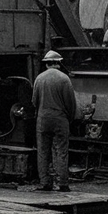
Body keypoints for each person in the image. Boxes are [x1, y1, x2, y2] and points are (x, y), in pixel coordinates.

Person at [32, 50, 75, 193]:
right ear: (58, 63)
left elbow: (34, 101)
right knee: (61, 151)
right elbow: (70, 103)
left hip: (43, 119)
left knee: (43, 151)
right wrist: (70, 117)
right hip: (60, 119)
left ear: (46, 64)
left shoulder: (39, 78)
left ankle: (45, 182)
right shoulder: (64, 79)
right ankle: (62, 183)